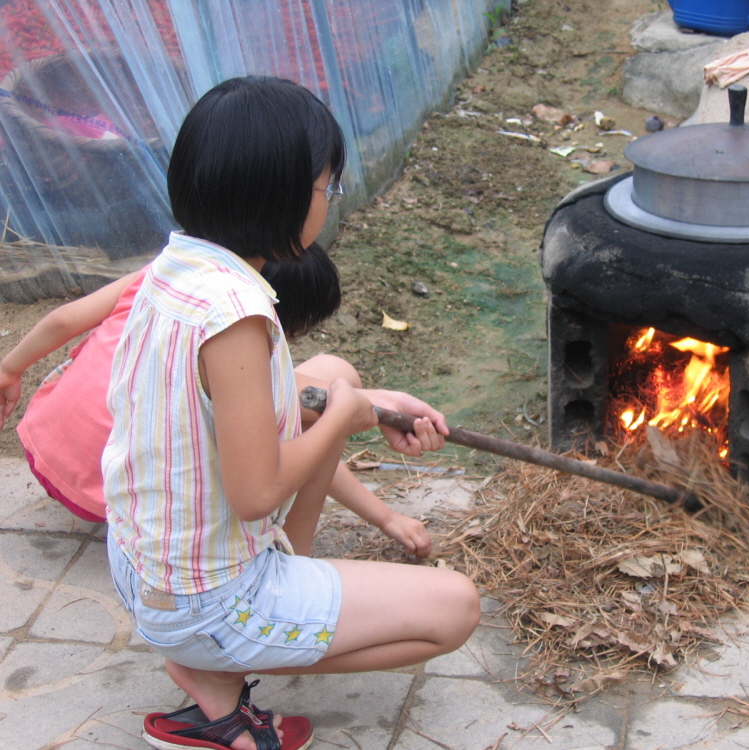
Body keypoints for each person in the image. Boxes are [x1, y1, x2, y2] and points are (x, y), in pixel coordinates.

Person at [97, 76, 483, 750]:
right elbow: (257, 494)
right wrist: (346, 415)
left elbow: (253, 404)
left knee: (331, 375)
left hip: (142, 566)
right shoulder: (237, 315)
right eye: (324, 187)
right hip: (203, 600)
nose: (327, 203)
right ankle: (220, 665)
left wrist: (370, 403)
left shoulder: (177, 268)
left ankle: (213, 653)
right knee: (454, 609)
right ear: (279, 196)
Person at [0, 246, 436, 557]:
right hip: (115, 499)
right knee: (319, 397)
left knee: (331, 376)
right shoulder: (236, 337)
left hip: (46, 445)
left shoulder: (170, 275)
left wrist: (10, 369)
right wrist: (386, 518)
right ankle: (293, 564)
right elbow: (305, 445)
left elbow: (63, 318)